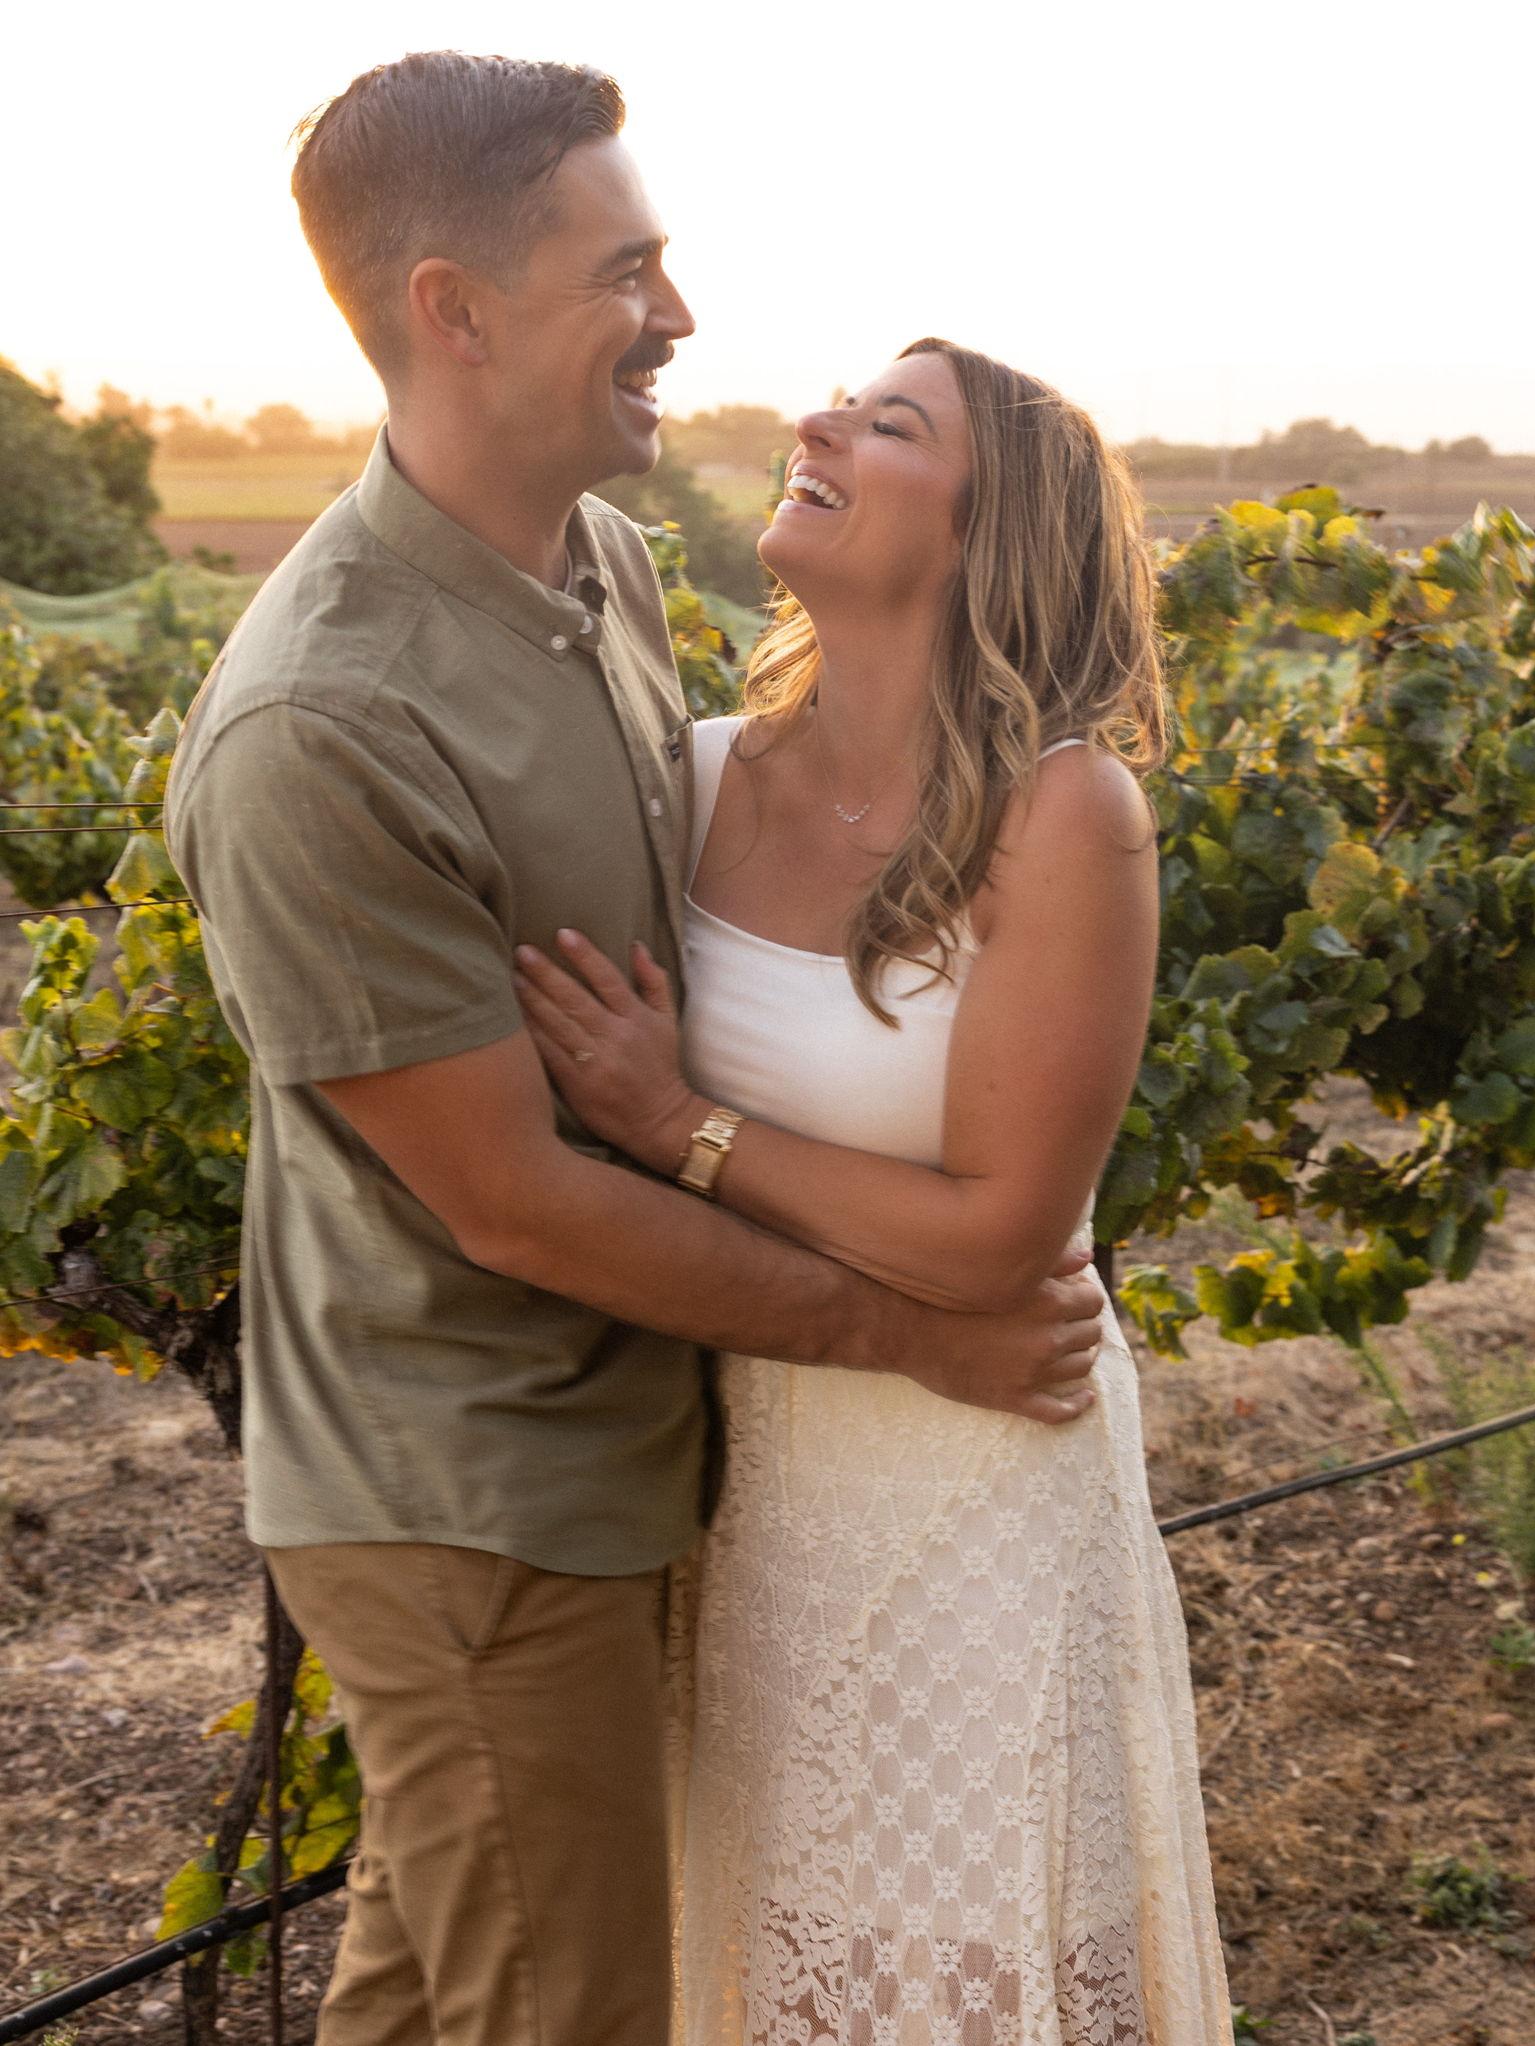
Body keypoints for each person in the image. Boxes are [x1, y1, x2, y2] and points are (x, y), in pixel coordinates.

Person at [164, 56, 1104, 2046]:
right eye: (632, 270)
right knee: (567, 2012)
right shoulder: (318, 726)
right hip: (472, 1493)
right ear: (457, 308)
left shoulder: (592, 573)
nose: (681, 321)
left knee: (446, 1990)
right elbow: (511, 1202)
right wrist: (915, 1335)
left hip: (632, 1459)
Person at [515, 337, 1235, 2039]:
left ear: (989, 535)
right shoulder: (686, 780)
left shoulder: (1067, 816)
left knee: (956, 1969)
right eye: (839, 400)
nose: (815, 421)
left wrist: (678, 1118)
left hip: (975, 1470)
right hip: (746, 1468)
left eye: (888, 421)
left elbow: (997, 1237)